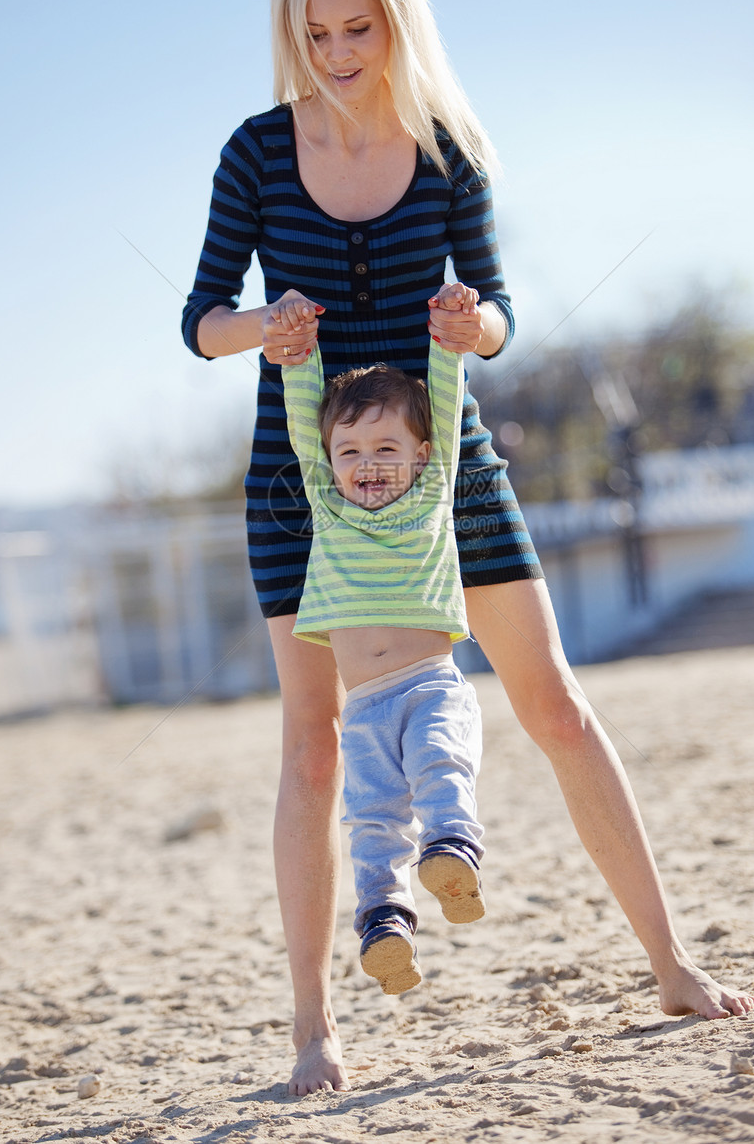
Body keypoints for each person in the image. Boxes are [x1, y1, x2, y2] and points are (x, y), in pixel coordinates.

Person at [182, 0, 754, 1095]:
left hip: (449, 474)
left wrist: (470, 325)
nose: (338, 50)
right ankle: (311, 1031)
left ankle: (670, 963)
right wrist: (263, 323)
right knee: (311, 747)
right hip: (301, 487)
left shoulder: (451, 149)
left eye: (358, 25)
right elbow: (199, 321)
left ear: (394, 19)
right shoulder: (251, 151)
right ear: (291, 33)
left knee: (552, 707)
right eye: (316, 30)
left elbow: (495, 311)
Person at [282, 313, 486, 996]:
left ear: (422, 455)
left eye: (386, 447)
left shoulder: (431, 494)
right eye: (349, 451)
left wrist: (446, 339)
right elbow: (302, 411)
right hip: (363, 707)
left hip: (431, 687)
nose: (366, 463)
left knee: (439, 766)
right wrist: (297, 351)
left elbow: (448, 399)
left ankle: (452, 850)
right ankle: (384, 921)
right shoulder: (328, 505)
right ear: (328, 459)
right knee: (371, 818)